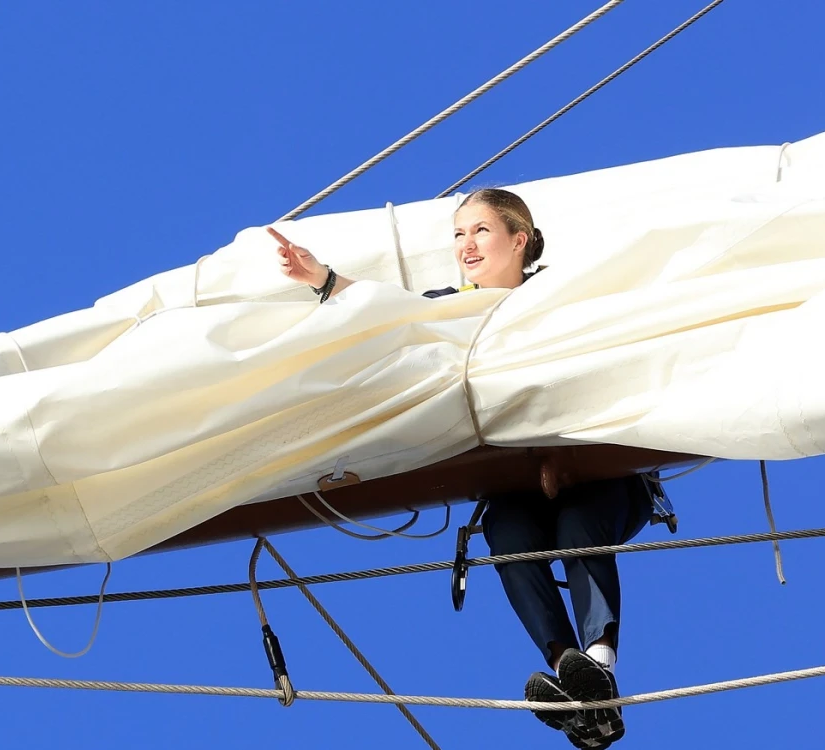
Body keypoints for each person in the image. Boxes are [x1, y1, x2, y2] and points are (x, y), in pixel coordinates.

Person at [268, 189, 653, 749]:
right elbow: (389, 313)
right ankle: (568, 673)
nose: (465, 246)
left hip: (600, 475)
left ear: (518, 240)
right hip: (517, 481)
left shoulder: (561, 294)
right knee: (507, 533)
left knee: (576, 530)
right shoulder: (451, 306)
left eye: (479, 231)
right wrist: (322, 279)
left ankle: (598, 662)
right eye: (457, 234)